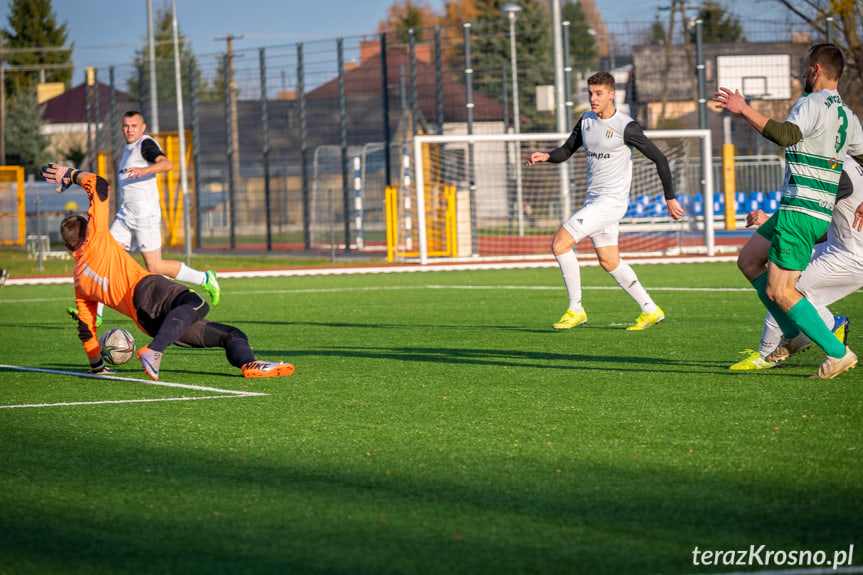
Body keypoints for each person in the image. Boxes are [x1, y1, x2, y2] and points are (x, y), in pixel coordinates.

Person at [42, 163, 294, 381]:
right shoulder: (96, 236)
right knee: (196, 302)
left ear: (67, 248)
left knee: (231, 335)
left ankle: (249, 364)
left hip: (147, 322)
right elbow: (99, 184)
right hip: (148, 290)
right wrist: (71, 174)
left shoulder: (79, 282)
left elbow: (87, 330)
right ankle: (155, 350)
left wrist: (97, 367)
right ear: (90, 228)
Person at [714, 43, 863, 379]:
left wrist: (744, 109)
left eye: (805, 66)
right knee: (749, 260)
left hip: (802, 211)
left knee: (780, 291)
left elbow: (785, 135)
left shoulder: (812, 103)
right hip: (802, 209)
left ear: (817, 70)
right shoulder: (848, 116)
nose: (802, 72)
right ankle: (794, 335)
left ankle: (838, 353)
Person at [526, 71, 684, 331]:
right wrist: (547, 155)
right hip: (595, 201)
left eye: (598, 93)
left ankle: (575, 308)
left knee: (560, 243)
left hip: (610, 203)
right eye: (590, 93)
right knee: (609, 260)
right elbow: (567, 150)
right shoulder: (586, 120)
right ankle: (650, 309)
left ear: (612, 95)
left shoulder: (626, 126)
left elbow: (660, 158)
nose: (593, 98)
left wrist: (670, 197)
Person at [68, 110, 221, 326]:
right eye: (125, 126)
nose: (129, 130)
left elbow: (166, 164)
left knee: (155, 267)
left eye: (133, 126)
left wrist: (144, 170)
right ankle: (96, 315)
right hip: (125, 215)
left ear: (143, 128)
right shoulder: (127, 148)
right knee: (102, 258)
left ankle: (205, 278)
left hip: (144, 215)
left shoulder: (145, 145)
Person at [730, 155, 863, 370]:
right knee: (777, 281)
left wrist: (775, 225)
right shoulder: (838, 162)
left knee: (784, 290)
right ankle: (829, 326)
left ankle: (767, 354)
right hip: (836, 247)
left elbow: (813, 226)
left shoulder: (837, 171)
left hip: (852, 256)